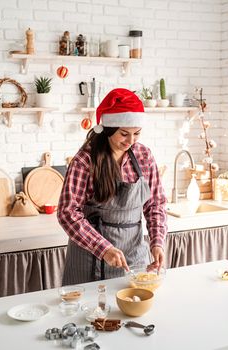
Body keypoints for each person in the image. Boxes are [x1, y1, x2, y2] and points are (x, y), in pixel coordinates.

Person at [57, 88, 167, 285]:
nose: (131, 141)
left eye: (137, 133)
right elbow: (67, 212)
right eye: (124, 134)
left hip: (133, 256)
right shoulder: (85, 160)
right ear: (108, 130)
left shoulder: (144, 156)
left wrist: (157, 241)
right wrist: (103, 249)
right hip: (90, 258)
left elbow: (155, 205)